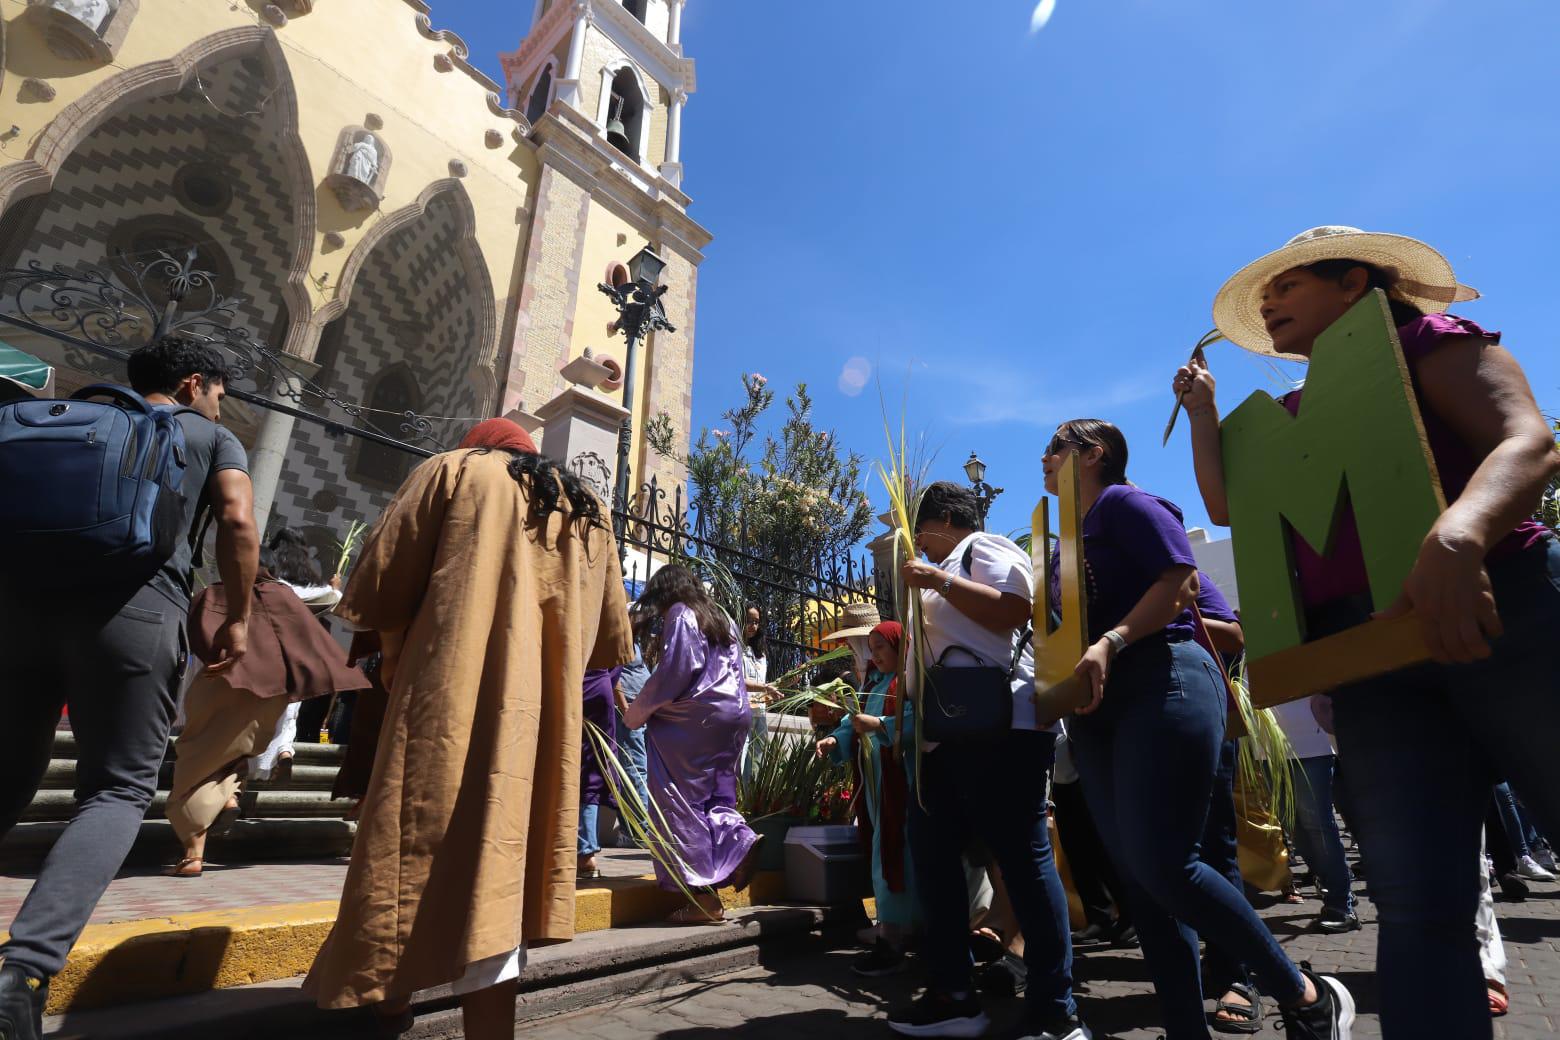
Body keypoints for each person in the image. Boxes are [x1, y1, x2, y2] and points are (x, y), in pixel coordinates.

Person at [1176, 225, 1560, 1039]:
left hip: (1508, 607)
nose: (1269, 303)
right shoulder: (1288, 415)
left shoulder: (1427, 338)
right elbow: (1224, 505)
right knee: (1419, 907)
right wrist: (1204, 414)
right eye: (1264, 294)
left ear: (1354, 284)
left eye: (1287, 286)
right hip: (1379, 657)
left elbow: (1526, 440)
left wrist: (1459, 537)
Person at [302, 417, 633, 1040]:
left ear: (478, 444)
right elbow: (605, 641)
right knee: (501, 870)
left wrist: (397, 660)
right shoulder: (590, 511)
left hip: (445, 701)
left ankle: (389, 999)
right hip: (538, 724)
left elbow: (380, 589)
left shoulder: (452, 472)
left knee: (413, 845)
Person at [1045, 419, 1352, 1040]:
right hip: (1097, 712)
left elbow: (1181, 581)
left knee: (1166, 862)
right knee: (1139, 876)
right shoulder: (1063, 545)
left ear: (1093, 455)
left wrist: (1112, 640)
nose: (1043, 459)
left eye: (1055, 448)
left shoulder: (1125, 503)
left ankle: (1307, 994)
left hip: (1162, 678)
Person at [0, 335, 257, 1040]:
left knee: (7, 776)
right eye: (217, 394)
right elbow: (236, 520)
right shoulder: (207, 434)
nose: (216, 404)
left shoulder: (66, 417)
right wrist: (237, 617)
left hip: (19, 610)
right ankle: (22, 971)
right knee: (115, 789)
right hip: (135, 615)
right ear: (195, 383)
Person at [890, 481, 1087, 1040]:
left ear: (947, 519)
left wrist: (937, 580)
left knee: (1023, 859)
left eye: (923, 533)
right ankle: (954, 993)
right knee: (930, 852)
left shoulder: (984, 547)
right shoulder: (947, 562)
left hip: (1004, 729)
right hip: (949, 736)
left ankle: (1057, 1007)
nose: (920, 548)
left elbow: (1013, 610)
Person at [166, 538, 364, 878]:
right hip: (269, 692)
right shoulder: (284, 597)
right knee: (240, 753)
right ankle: (230, 796)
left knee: (196, 762)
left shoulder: (215, 593)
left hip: (219, 685)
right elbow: (309, 638)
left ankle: (193, 851)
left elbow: (191, 638)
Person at [622, 565, 762, 924]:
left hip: (695, 719)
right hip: (733, 715)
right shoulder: (722, 617)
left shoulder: (682, 614)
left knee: (679, 802)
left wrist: (635, 713)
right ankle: (739, 841)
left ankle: (703, 899)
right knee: (716, 797)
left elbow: (674, 673)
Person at [816, 620, 919, 976]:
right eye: (871, 649)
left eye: (880, 648)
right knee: (883, 847)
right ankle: (895, 927)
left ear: (899, 647)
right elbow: (851, 721)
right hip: (877, 785)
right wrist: (836, 739)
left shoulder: (909, 682)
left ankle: (893, 935)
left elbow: (917, 720)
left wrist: (880, 726)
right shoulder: (873, 682)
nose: (874, 656)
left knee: (894, 851)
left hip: (901, 784)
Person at [250, 528, 343, 788]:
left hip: (261, 656)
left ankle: (242, 779)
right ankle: (285, 752)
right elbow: (333, 600)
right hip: (293, 662)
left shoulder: (273, 585)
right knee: (288, 713)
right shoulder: (307, 590)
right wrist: (334, 589)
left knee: (254, 717)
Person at [577, 665, 623, 880]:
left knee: (585, 772)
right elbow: (619, 659)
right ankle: (585, 851)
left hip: (582, 686)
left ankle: (584, 851)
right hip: (598, 689)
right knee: (590, 773)